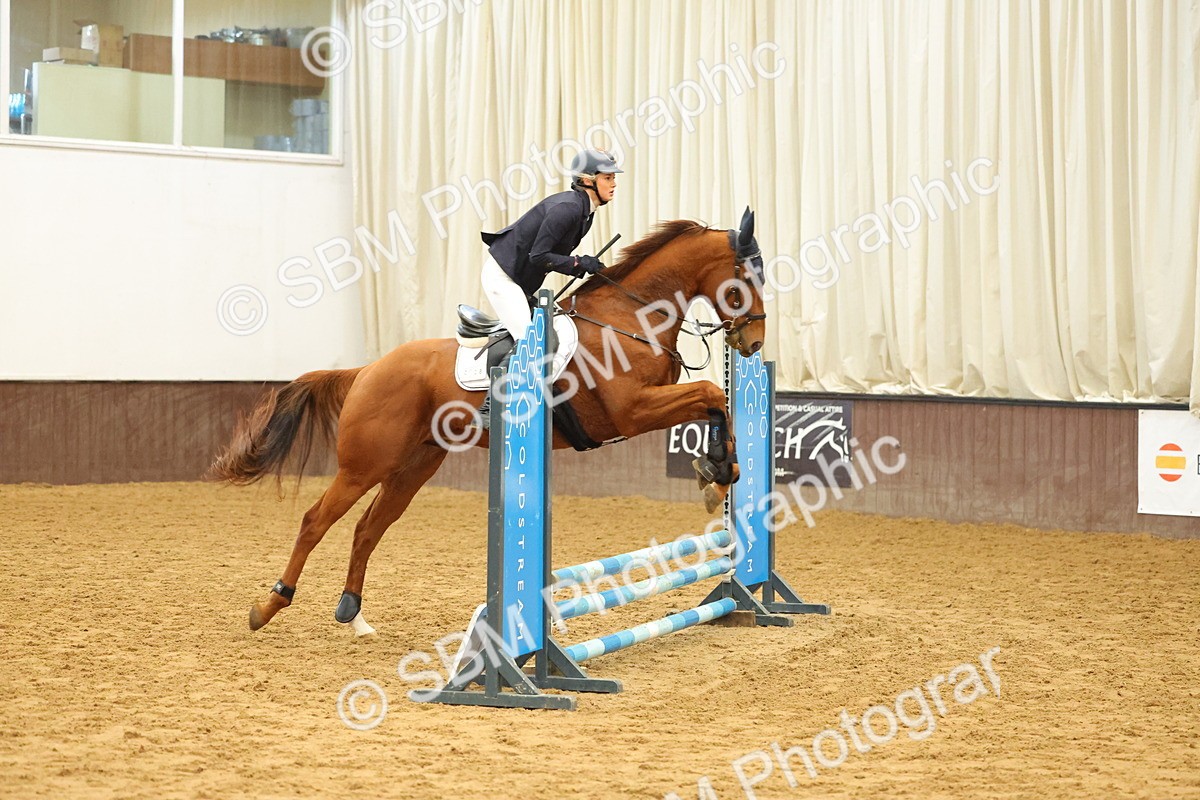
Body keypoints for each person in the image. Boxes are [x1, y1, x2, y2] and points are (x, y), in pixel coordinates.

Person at [476, 148, 621, 422]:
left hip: (520, 280)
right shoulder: (568, 209)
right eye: (608, 178)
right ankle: (489, 408)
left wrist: (581, 265)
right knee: (532, 340)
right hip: (503, 277)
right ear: (588, 180)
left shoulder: (584, 212)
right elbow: (539, 256)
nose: (614, 184)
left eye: (614, 178)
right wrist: (578, 263)